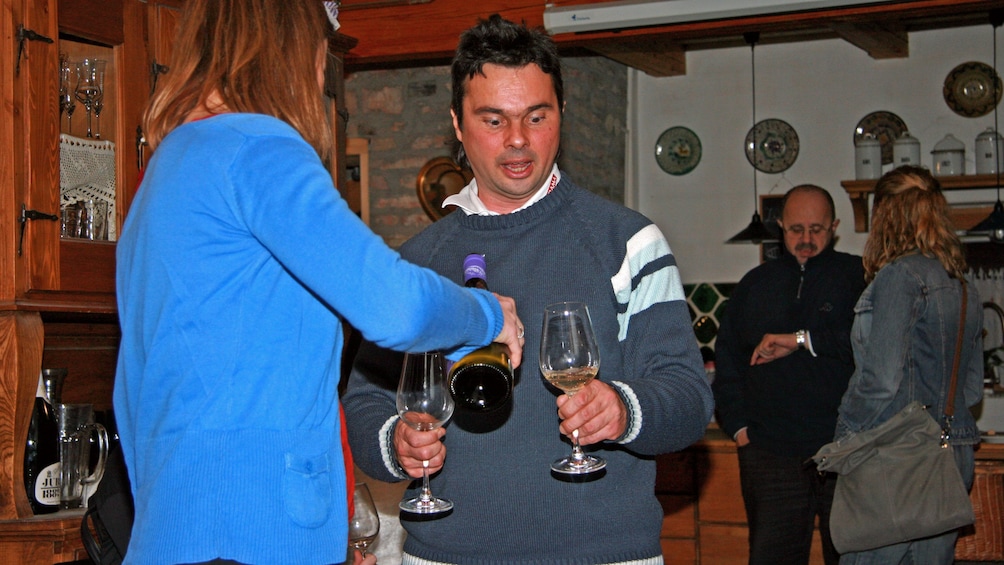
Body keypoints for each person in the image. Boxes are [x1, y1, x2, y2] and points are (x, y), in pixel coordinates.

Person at [112, 1, 524, 564]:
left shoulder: (170, 164)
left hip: (179, 530)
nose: (319, 73)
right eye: (319, 50)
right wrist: (487, 315)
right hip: (252, 534)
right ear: (290, 46)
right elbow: (392, 303)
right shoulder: (257, 148)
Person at [342, 14, 714, 565]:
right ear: (458, 124)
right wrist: (396, 442)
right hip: (444, 555)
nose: (518, 141)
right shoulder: (415, 264)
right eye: (493, 120)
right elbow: (364, 403)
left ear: (561, 113)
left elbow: (689, 398)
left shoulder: (629, 241)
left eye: (536, 117)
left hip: (604, 555)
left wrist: (623, 408)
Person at [833, 165, 984, 564]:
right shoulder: (962, 284)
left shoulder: (898, 278)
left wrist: (844, 436)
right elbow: (970, 389)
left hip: (897, 458)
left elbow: (880, 381)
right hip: (952, 454)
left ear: (883, 213)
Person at [712, 184, 866, 565]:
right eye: (797, 229)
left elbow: (872, 345)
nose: (807, 240)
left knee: (853, 557)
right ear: (781, 227)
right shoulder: (756, 284)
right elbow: (727, 360)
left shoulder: (858, 277)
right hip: (770, 455)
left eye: (818, 229)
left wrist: (806, 339)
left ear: (836, 226)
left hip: (845, 452)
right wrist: (740, 430)